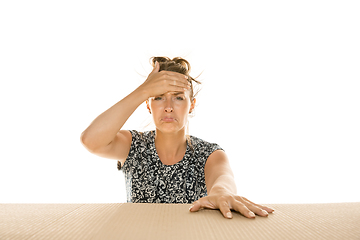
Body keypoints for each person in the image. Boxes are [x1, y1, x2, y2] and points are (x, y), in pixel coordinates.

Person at [80, 56, 274, 219]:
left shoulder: (209, 153)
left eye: (179, 97)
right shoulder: (134, 145)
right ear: (148, 105)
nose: (169, 106)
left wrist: (222, 193)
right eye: (159, 97)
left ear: (192, 105)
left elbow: (223, 178)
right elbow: (90, 140)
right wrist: (144, 90)